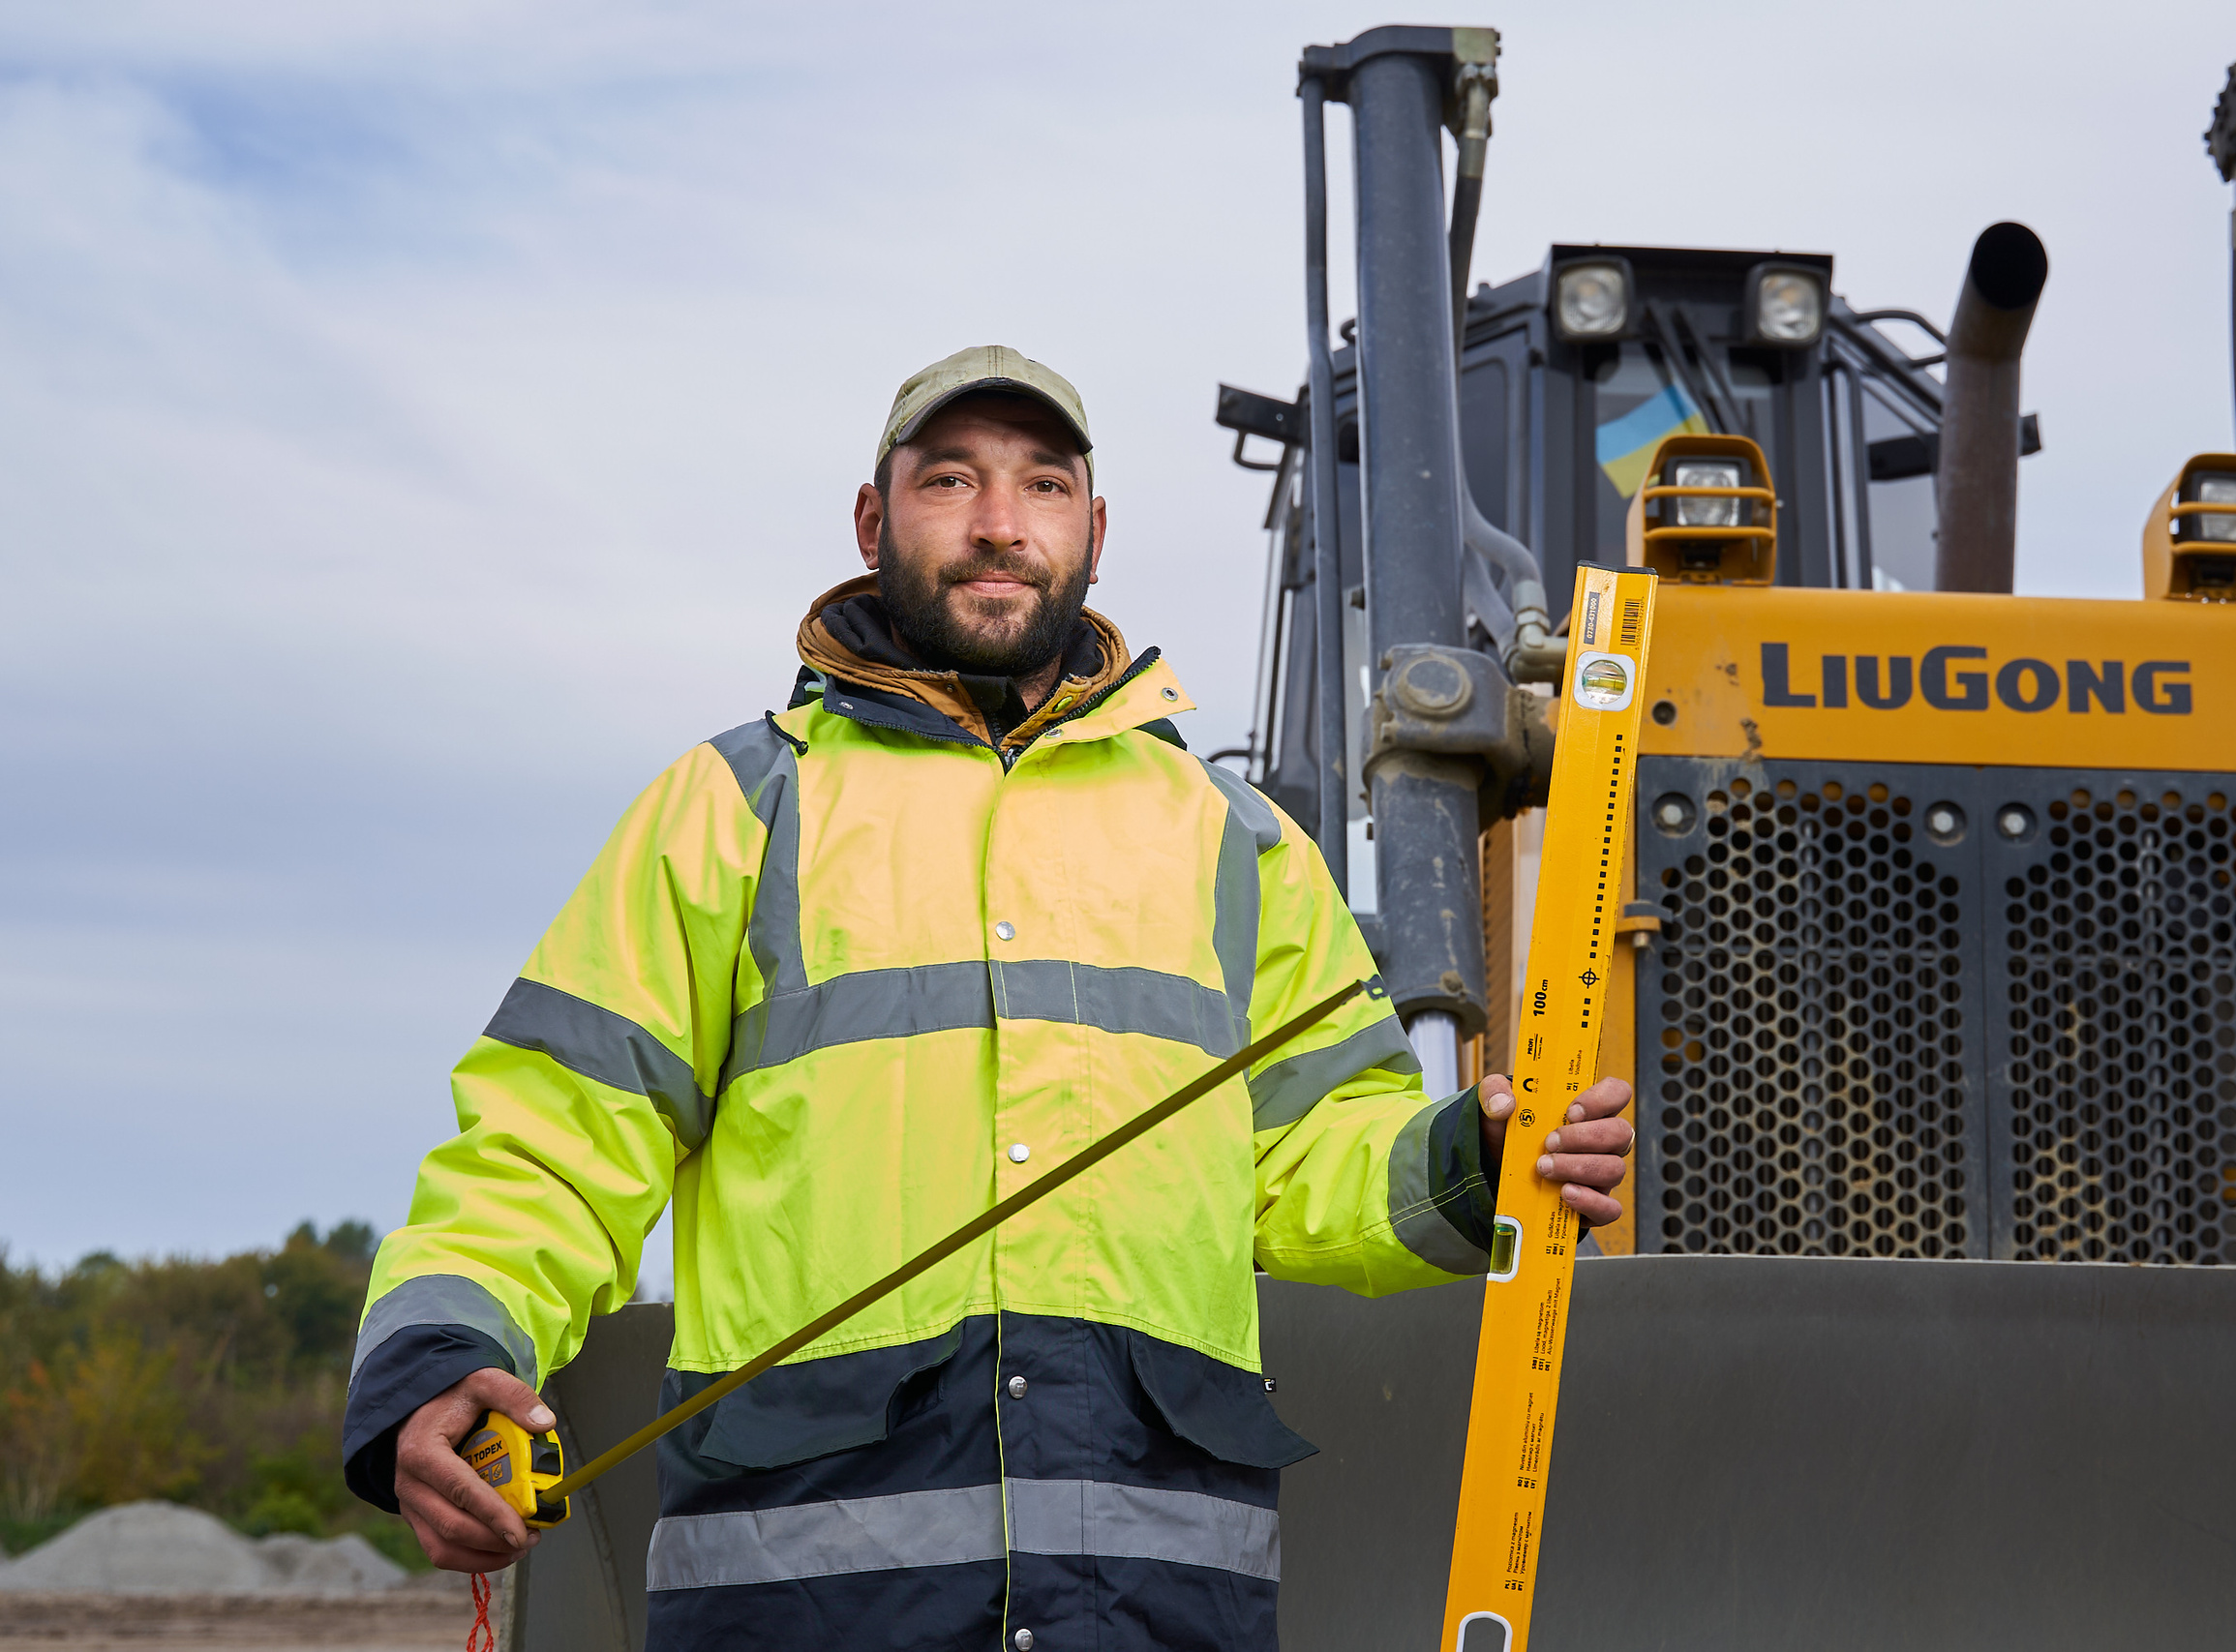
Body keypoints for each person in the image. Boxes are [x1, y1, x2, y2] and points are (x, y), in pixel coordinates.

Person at [342, 345, 1634, 1649]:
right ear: (872, 518)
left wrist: (1472, 1161)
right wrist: (441, 1352)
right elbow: (551, 1134)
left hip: (1152, 1607)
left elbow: (1314, 1163)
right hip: (801, 1611)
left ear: (1096, 530)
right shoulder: (736, 810)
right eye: (950, 480)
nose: (1000, 524)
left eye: (1044, 486)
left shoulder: (1234, 843)